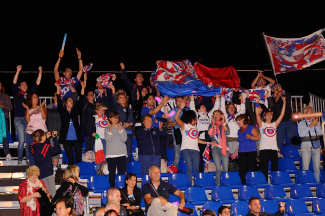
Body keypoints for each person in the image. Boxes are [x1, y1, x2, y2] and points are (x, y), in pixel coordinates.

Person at [13, 65, 42, 165]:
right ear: (19, 87)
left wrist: (40, 72)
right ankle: (20, 160)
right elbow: (14, 83)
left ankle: (29, 159)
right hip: (19, 119)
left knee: (28, 140)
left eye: (26, 84)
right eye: (22, 85)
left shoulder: (29, 94)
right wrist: (18, 71)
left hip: (28, 119)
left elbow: (37, 84)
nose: (25, 86)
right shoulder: (17, 93)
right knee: (21, 140)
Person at [175, 101, 208, 183]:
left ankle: (197, 185)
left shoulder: (196, 128)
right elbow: (176, 118)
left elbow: (197, 140)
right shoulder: (184, 126)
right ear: (190, 118)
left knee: (196, 168)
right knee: (189, 168)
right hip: (186, 149)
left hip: (196, 150)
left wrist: (208, 143)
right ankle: (189, 185)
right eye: (195, 118)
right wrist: (180, 109)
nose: (196, 119)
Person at [256, 96, 286, 181]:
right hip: (264, 149)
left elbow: (282, 114)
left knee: (275, 168)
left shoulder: (274, 124)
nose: (269, 115)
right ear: (264, 117)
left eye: (270, 114)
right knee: (264, 168)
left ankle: (275, 183)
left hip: (273, 149)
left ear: (272, 117)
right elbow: (257, 114)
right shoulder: (262, 124)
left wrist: (284, 102)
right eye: (267, 114)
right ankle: (265, 183)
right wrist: (257, 103)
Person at [56, 81, 85, 165]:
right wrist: (58, 88)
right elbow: (58, 100)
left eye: (72, 100)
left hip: (77, 139)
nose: (71, 101)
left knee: (79, 159)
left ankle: (78, 176)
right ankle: (71, 176)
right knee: (71, 159)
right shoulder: (63, 112)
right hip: (66, 139)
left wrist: (83, 87)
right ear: (66, 103)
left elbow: (81, 100)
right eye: (69, 100)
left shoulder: (75, 111)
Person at [190, 94, 219, 172]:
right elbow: (192, 108)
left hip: (209, 138)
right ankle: (200, 173)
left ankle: (209, 172)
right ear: (198, 110)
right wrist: (192, 99)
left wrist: (218, 99)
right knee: (199, 157)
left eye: (205, 107)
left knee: (210, 156)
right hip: (200, 139)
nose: (205, 108)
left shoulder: (209, 116)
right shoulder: (197, 116)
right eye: (202, 107)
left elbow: (215, 109)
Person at [30, 129, 61, 197]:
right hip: (47, 174)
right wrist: (55, 137)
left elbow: (45, 149)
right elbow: (57, 150)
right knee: (53, 195)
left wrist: (46, 139)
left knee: (45, 195)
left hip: (40, 174)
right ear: (41, 137)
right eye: (44, 135)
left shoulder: (36, 146)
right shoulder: (43, 147)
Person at [110, 83, 134, 166]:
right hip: (119, 133)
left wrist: (129, 123)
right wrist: (113, 90)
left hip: (129, 133)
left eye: (124, 97)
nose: (123, 98)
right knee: (120, 152)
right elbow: (113, 100)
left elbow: (133, 121)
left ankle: (127, 170)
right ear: (118, 100)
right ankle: (120, 169)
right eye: (121, 97)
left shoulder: (129, 110)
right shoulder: (117, 108)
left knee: (128, 152)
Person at [232, 114, 259, 184]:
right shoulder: (239, 131)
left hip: (251, 151)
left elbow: (257, 138)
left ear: (243, 119)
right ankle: (244, 185)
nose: (237, 123)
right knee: (242, 170)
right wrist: (235, 153)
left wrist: (250, 137)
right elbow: (240, 143)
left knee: (250, 169)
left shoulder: (250, 127)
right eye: (236, 121)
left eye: (238, 121)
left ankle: (251, 184)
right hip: (242, 152)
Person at [298, 106, 322, 182]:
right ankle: (305, 184)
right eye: (308, 112)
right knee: (305, 167)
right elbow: (301, 134)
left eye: (311, 112)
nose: (310, 114)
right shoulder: (301, 123)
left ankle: (317, 185)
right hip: (306, 147)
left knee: (317, 168)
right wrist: (311, 125)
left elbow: (321, 133)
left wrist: (316, 124)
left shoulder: (316, 122)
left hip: (316, 147)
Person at [104, 111, 128, 187]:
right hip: (111, 155)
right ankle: (112, 189)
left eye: (117, 117)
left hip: (121, 154)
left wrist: (120, 130)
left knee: (121, 174)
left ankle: (122, 189)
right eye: (113, 117)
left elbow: (124, 139)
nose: (115, 119)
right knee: (111, 174)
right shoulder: (106, 129)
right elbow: (108, 139)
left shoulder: (122, 128)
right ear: (110, 119)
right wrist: (110, 129)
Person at [24, 92, 47, 166]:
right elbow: (27, 120)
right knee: (32, 153)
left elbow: (44, 117)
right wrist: (27, 108)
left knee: (42, 152)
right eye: (34, 97)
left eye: (37, 97)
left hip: (41, 134)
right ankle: (33, 172)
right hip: (31, 134)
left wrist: (41, 107)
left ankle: (42, 171)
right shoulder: (29, 109)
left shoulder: (42, 107)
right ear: (31, 99)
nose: (36, 98)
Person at [272, 84, 298, 149]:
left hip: (289, 121)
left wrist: (282, 91)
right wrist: (279, 92)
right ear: (272, 90)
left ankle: (296, 153)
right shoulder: (271, 97)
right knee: (279, 140)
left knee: (293, 139)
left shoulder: (286, 95)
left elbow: (289, 98)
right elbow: (276, 100)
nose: (277, 88)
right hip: (279, 122)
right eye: (275, 87)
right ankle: (279, 155)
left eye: (278, 86)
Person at [220, 94, 246, 158]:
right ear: (227, 109)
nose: (231, 108)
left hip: (237, 138)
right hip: (228, 138)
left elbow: (242, 110)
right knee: (229, 157)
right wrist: (222, 98)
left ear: (234, 109)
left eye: (232, 107)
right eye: (229, 107)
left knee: (237, 156)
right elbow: (222, 108)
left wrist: (242, 101)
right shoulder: (225, 116)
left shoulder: (237, 116)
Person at [208, 110, 229, 185]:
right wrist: (213, 124)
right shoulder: (211, 125)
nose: (216, 116)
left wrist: (224, 122)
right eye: (214, 114)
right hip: (215, 148)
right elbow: (210, 134)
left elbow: (227, 132)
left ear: (221, 116)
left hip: (224, 148)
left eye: (217, 114)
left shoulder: (224, 124)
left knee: (226, 169)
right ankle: (218, 186)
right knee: (218, 169)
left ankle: (226, 185)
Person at [167, 96, 187, 168]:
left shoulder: (188, 110)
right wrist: (178, 122)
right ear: (175, 102)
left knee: (186, 156)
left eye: (181, 101)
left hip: (187, 135)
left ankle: (185, 172)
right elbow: (169, 124)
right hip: (177, 134)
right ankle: (175, 173)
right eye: (178, 101)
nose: (180, 103)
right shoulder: (172, 111)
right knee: (177, 155)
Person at [46, 92, 61, 170]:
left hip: (61, 132)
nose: (58, 97)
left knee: (57, 148)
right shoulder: (48, 108)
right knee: (52, 147)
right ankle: (54, 166)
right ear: (53, 97)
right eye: (56, 95)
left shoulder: (63, 108)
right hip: (51, 131)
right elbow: (45, 119)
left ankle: (55, 166)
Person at [0, 81, 13, 161]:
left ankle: (7, 153)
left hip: (3, 118)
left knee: (5, 136)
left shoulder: (5, 96)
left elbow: (10, 107)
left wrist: (2, 106)